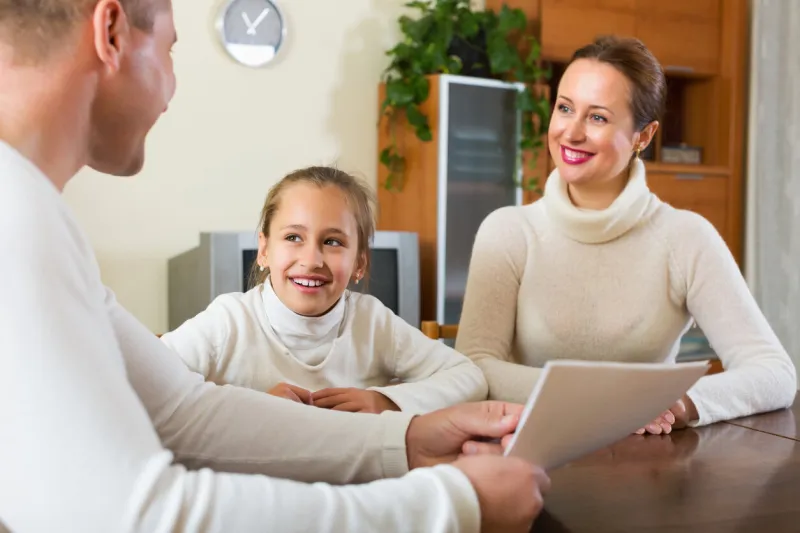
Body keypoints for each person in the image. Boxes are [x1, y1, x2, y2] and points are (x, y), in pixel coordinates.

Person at [0, 1, 550, 531]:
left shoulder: (34, 213)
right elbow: (134, 515)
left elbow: (183, 411)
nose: (171, 87)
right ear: (112, 32)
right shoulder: (17, 219)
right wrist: (453, 504)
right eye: (170, 51)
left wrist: (403, 439)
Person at [455, 35, 797, 435]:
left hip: (650, 457)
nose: (571, 132)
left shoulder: (686, 238)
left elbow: (774, 372)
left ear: (643, 136)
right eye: (565, 108)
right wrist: (606, 401)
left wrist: (682, 402)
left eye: (597, 118)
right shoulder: (509, 231)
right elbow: (473, 366)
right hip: (528, 451)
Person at [160, 166, 488, 414]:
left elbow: (468, 377)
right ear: (264, 249)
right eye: (293, 237)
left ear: (360, 262)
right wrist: (251, 408)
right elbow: (146, 384)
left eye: (332, 242)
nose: (312, 260)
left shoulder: (373, 322)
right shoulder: (228, 321)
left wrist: (384, 401)